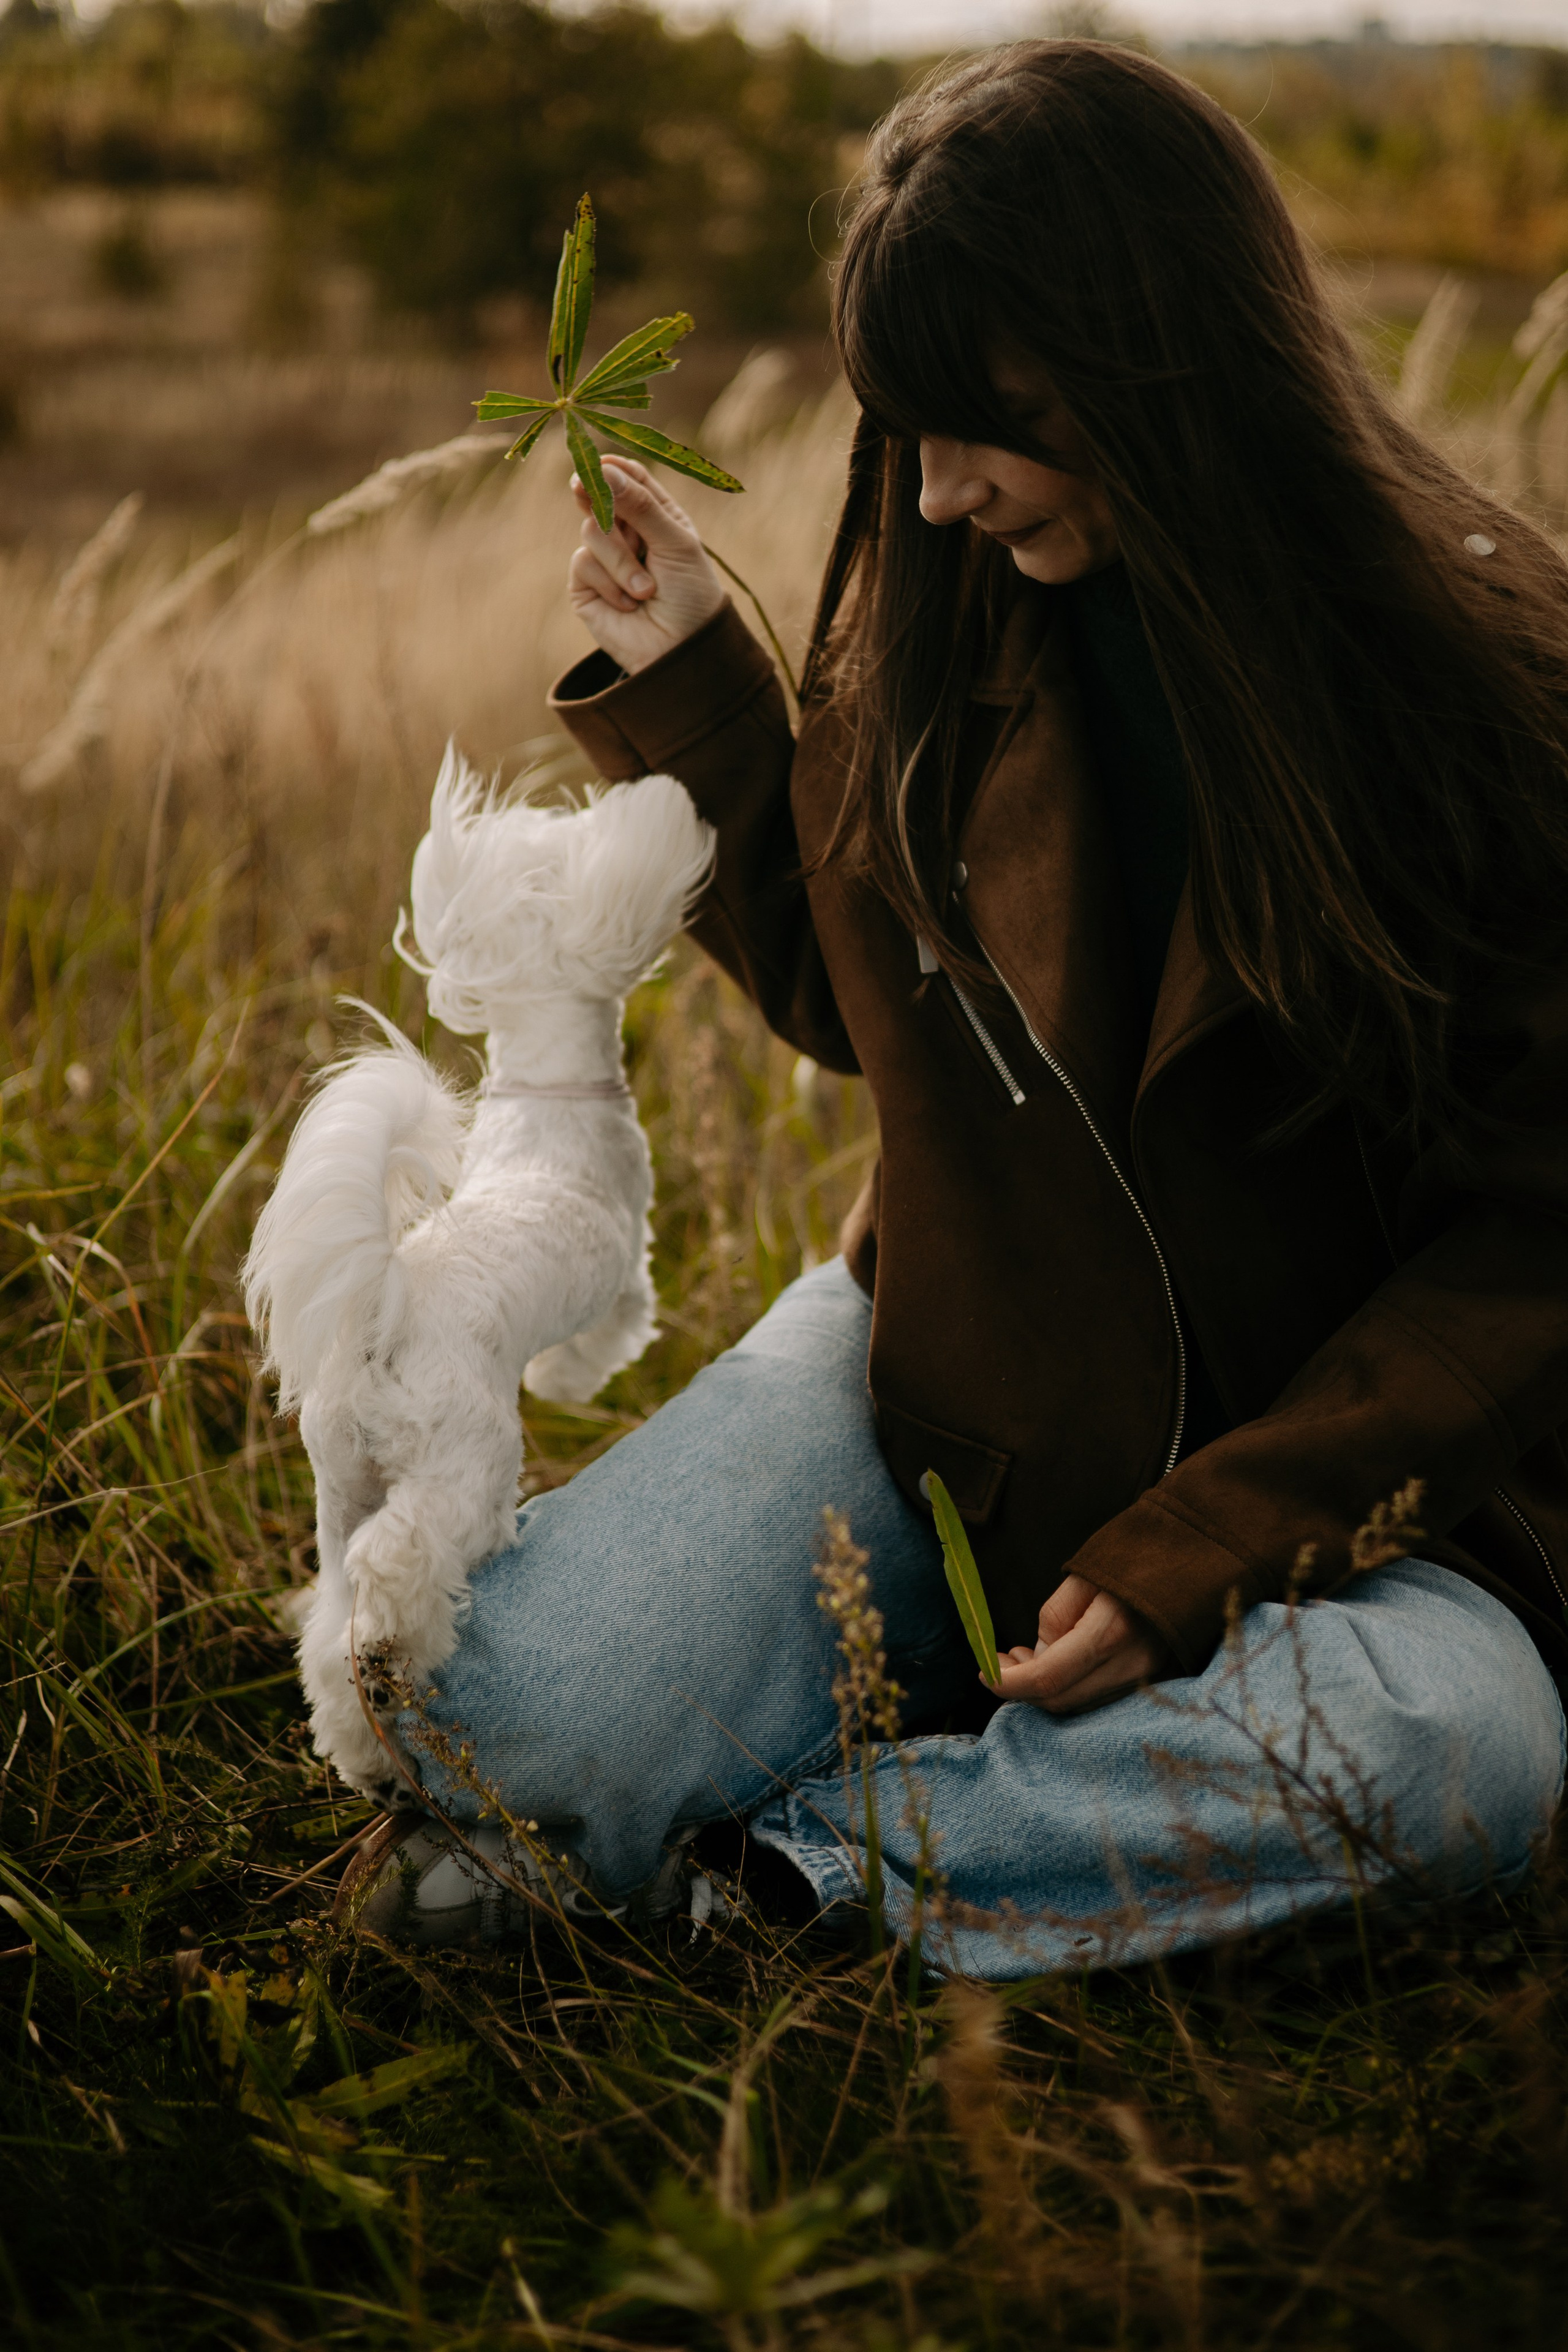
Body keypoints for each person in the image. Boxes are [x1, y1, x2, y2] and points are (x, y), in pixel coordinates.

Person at [344, 39, 1567, 1973]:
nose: (932, 494)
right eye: (899, 429)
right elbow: (870, 1009)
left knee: (1460, 1760)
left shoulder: (1492, 683)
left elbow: (1538, 1240)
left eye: (986, 418)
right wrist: (708, 700)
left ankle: (827, 1866)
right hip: (948, 1399)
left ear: (1173, 358)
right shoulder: (955, 598)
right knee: (520, 1742)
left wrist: (1208, 1550)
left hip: (1365, 1515)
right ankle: (881, 1771)